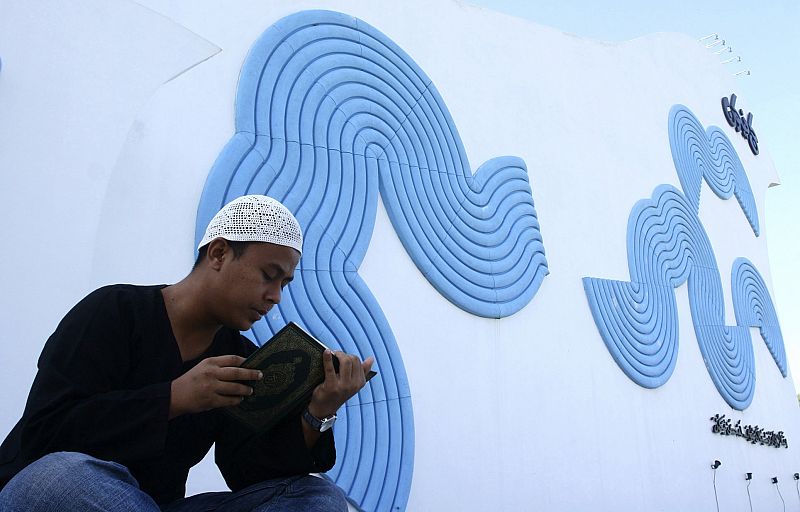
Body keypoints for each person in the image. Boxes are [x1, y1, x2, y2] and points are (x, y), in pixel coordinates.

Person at [0, 195, 373, 511]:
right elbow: (43, 434)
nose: (275, 295)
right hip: (44, 492)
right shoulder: (114, 310)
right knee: (63, 476)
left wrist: (317, 413)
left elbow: (247, 475)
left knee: (317, 497)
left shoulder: (242, 359)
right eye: (268, 275)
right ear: (219, 253)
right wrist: (174, 398)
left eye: (284, 283)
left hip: (152, 505)